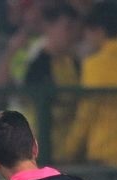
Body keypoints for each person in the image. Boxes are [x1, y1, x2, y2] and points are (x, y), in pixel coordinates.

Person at [63, 1, 117, 168]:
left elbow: (86, 114)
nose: (86, 38)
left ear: (99, 31)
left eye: (87, 32)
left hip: (105, 156)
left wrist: (68, 152)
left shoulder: (94, 64)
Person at [22, 3, 81, 161]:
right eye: (67, 28)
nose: (72, 35)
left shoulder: (74, 62)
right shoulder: (38, 64)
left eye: (74, 29)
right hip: (43, 149)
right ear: (49, 27)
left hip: (70, 150)